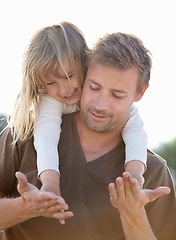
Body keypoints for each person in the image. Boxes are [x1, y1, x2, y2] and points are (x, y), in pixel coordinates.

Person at [0, 31, 176, 240]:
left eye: (117, 95)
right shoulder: (23, 138)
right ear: (84, 75)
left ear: (140, 93)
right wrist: (26, 207)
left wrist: (133, 213)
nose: (100, 105)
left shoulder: (154, 171)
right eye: (94, 87)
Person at [10, 21, 147, 205]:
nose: (63, 89)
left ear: (85, 63)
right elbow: (46, 138)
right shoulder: (51, 101)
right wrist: (50, 183)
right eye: (51, 83)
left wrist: (135, 175)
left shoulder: (103, 95)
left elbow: (136, 133)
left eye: (69, 76)